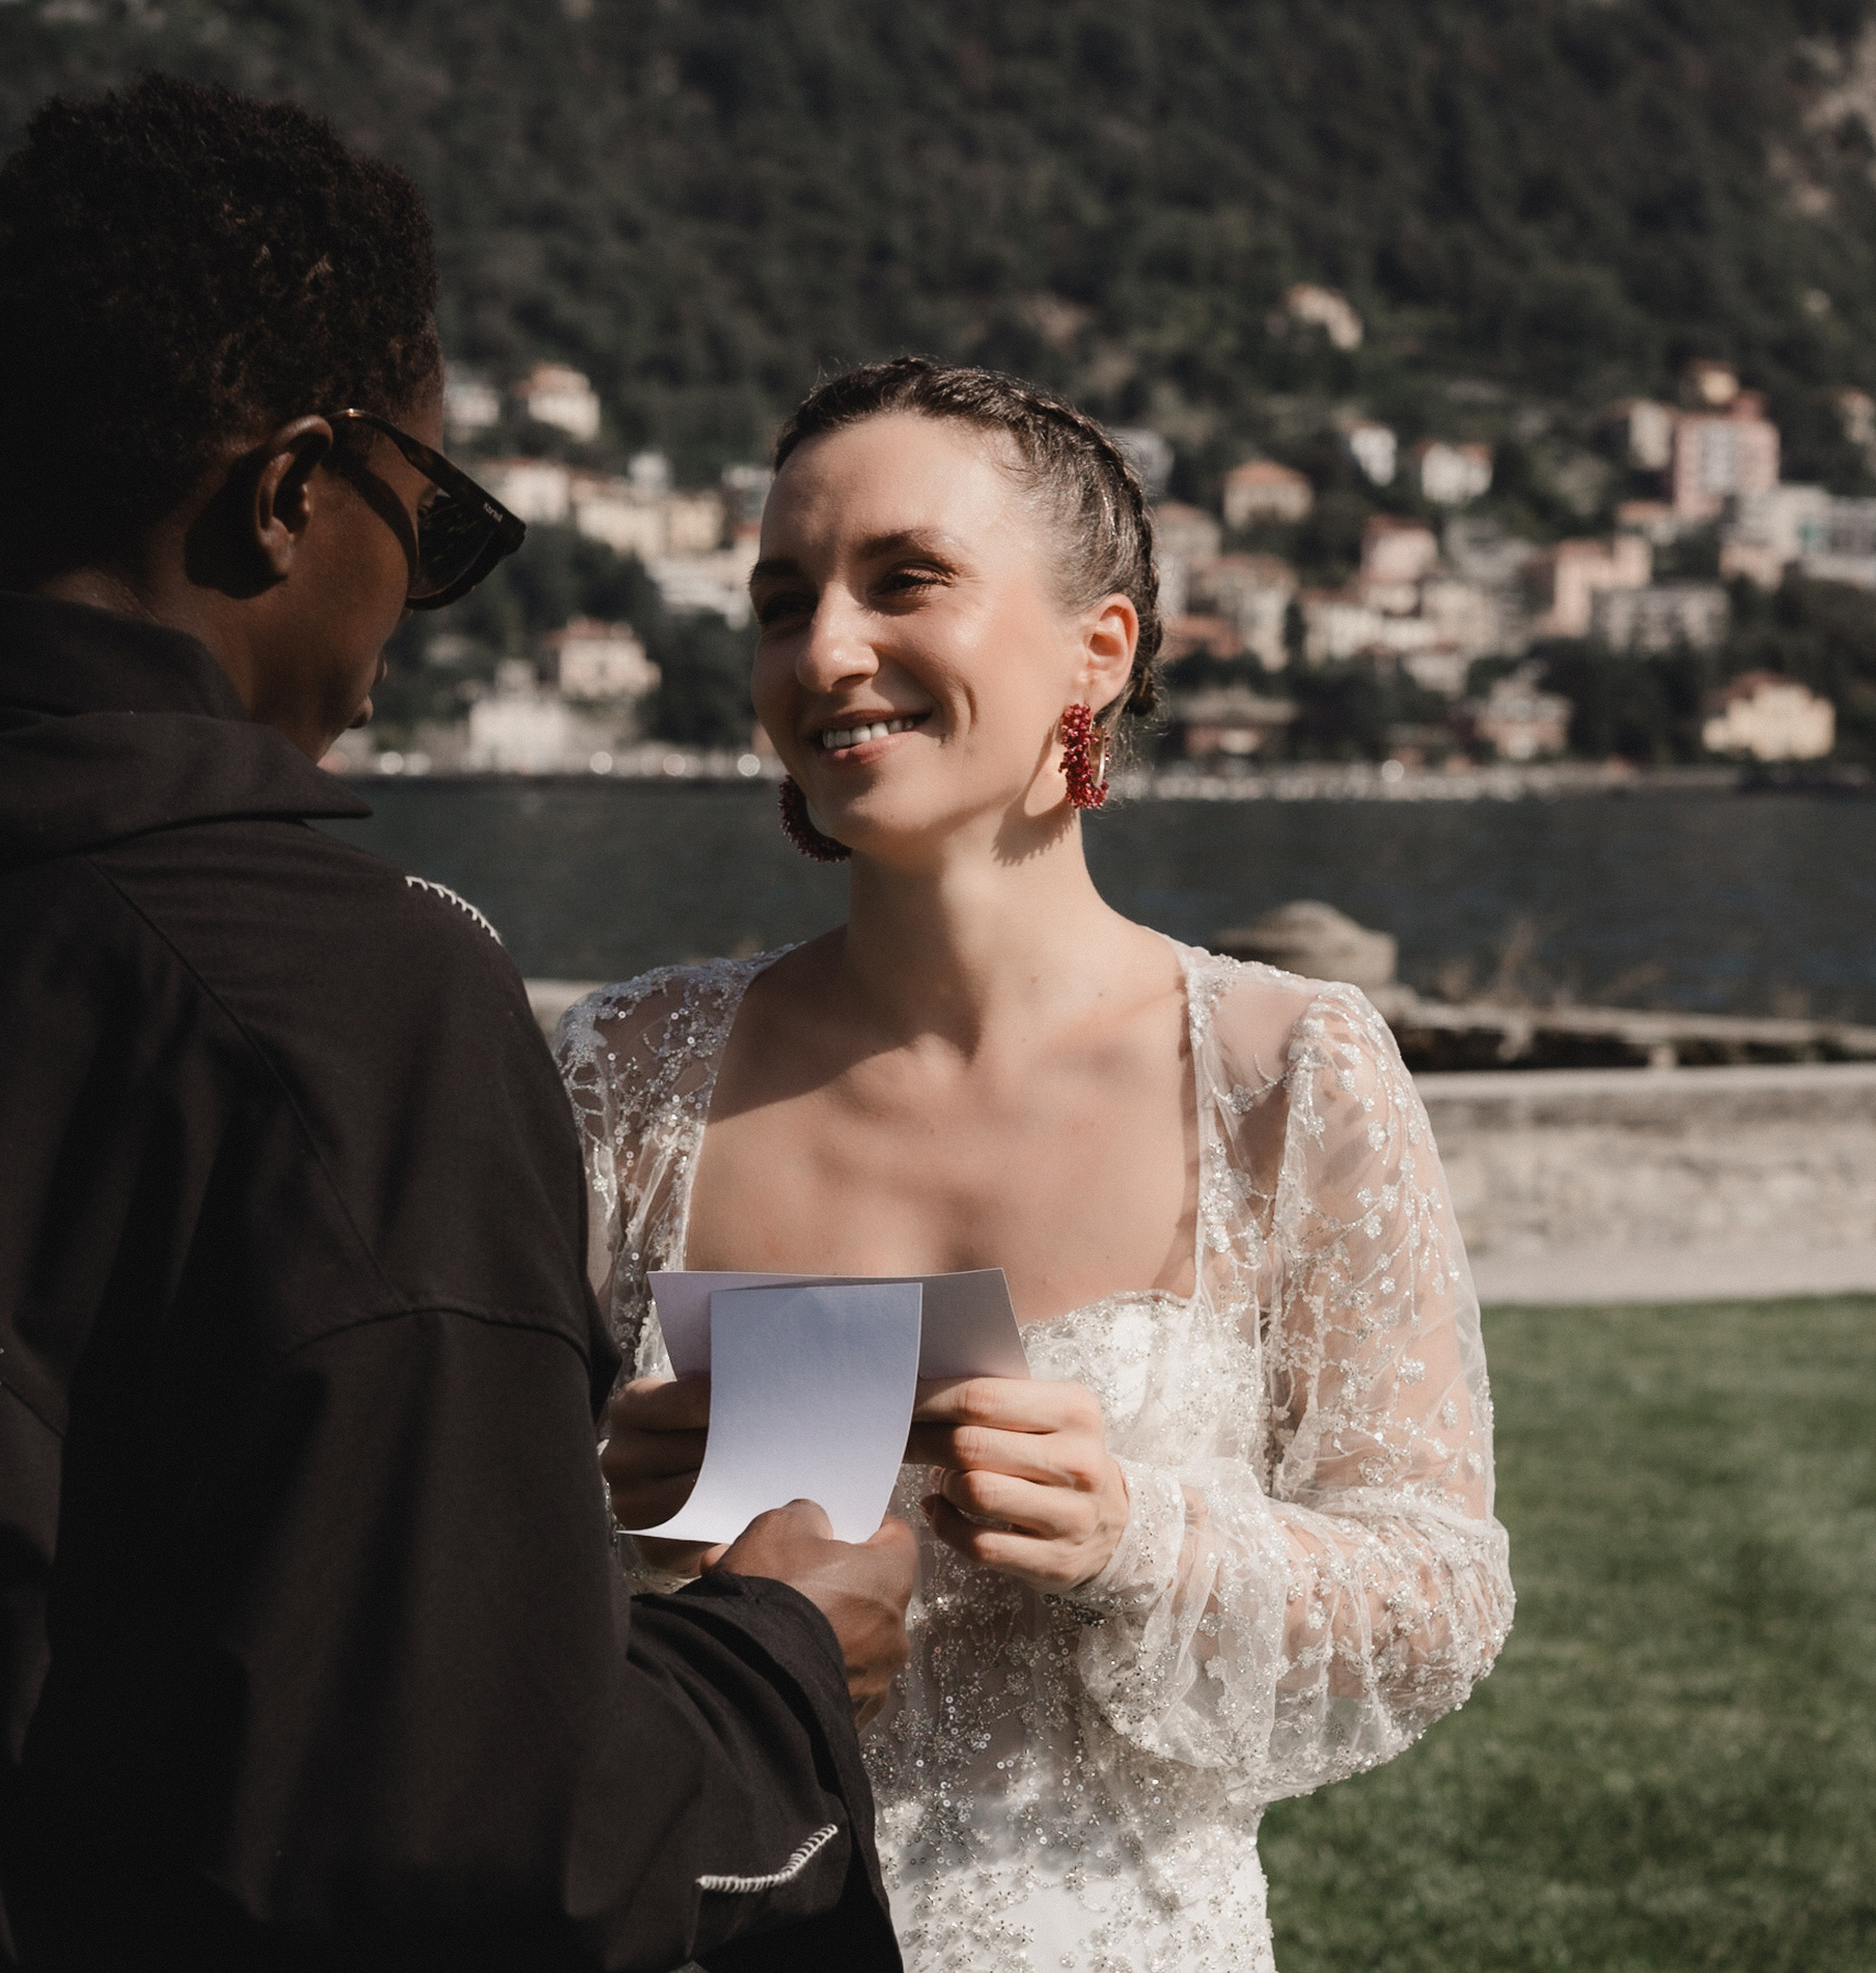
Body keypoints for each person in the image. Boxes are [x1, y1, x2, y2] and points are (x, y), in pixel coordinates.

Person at [0, 78, 915, 1972]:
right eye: (432, 526)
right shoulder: (343, 1002)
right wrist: (781, 1652)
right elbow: (479, 1846)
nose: (410, 615)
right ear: (288, 491)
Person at [560, 358, 1516, 1972]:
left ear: (1101, 645)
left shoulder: (1285, 1071)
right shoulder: (629, 1072)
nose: (825, 651)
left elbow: (1438, 1598)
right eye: (780, 602)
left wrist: (1136, 1538)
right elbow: (438, 1576)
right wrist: (599, 1497)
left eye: (902, 581)